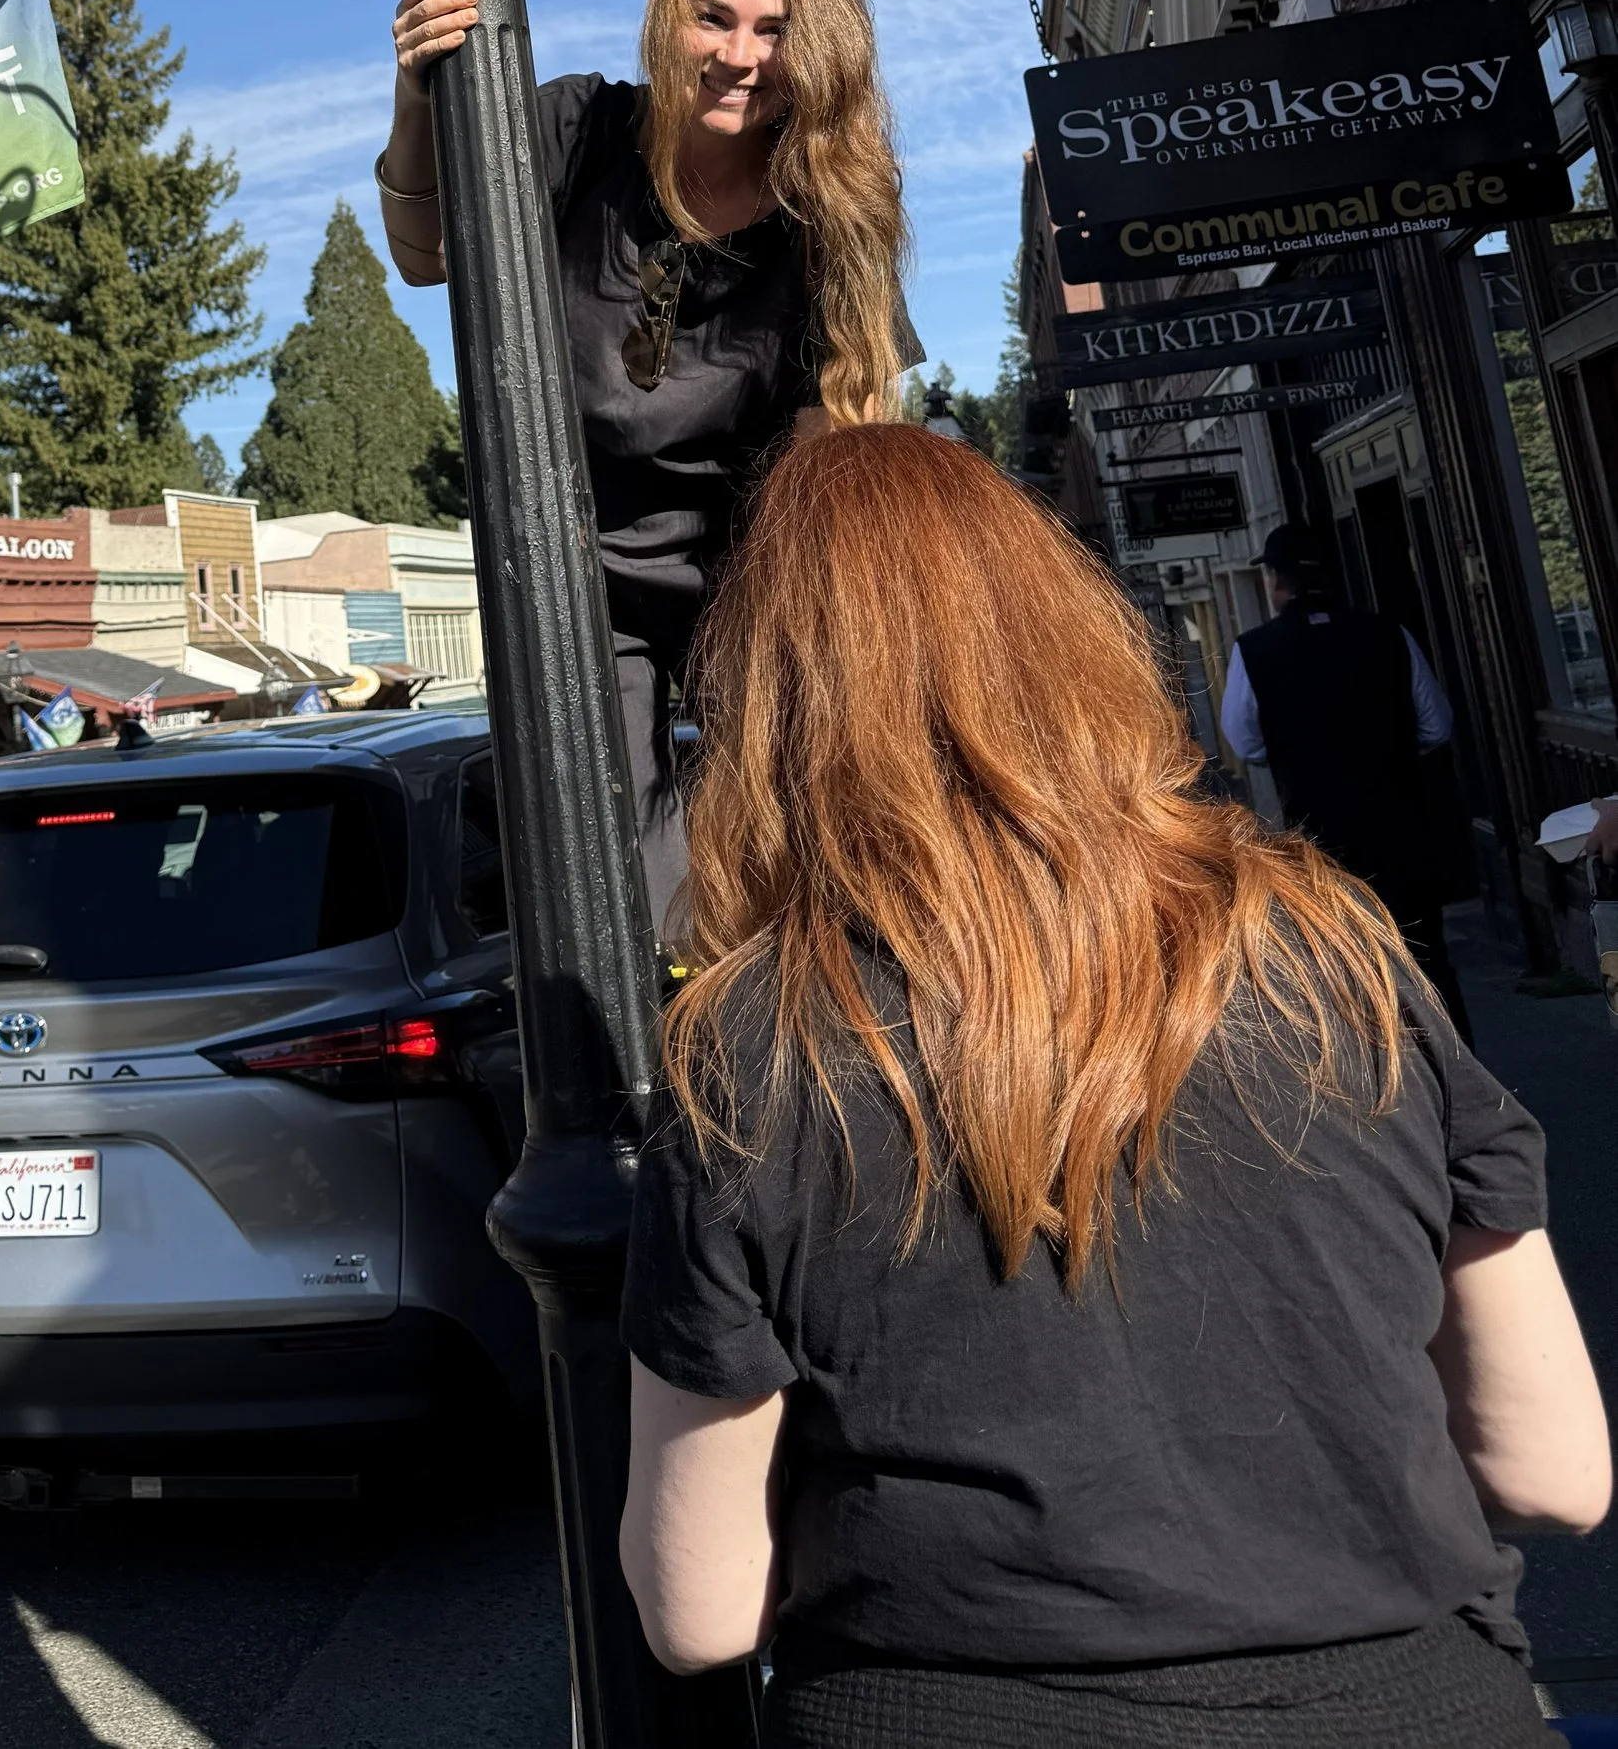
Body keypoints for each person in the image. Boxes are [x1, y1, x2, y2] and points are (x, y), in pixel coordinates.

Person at [618, 423, 1607, 1745]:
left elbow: (699, 1606)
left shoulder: (757, 1049)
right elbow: (1556, 1470)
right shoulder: (1335, 960)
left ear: (773, 712)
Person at [379, 0, 912, 935]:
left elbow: (831, 440)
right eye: (714, 19)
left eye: (774, 32)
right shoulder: (576, 129)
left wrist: (820, 640)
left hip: (752, 568)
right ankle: (654, 1063)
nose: (739, 56)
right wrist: (417, 93)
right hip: (581, 571)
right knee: (622, 867)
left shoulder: (832, 211)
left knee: (801, 833)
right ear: (670, 15)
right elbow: (423, 252)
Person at [1220, 522, 1468, 1034]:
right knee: (1425, 963)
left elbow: (1245, 742)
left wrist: (1302, 752)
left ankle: (1385, 1086)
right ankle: (1459, 1071)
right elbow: (1436, 726)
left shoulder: (1254, 651)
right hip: (1403, 831)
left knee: (1348, 969)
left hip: (1320, 840)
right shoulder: (1387, 634)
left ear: (1275, 581)